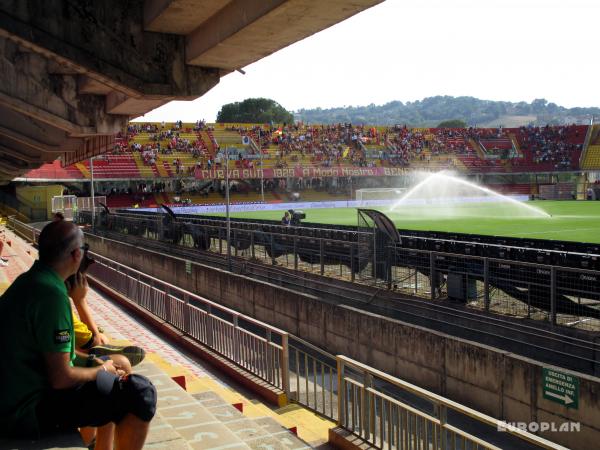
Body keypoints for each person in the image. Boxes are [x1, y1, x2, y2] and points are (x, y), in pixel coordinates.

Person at [0, 220, 156, 448]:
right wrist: (101, 369)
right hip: (25, 412)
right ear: (75, 255)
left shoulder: (31, 281)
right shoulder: (51, 295)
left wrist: (95, 362)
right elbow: (61, 377)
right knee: (140, 394)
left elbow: (52, 354)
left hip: (16, 398)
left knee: (115, 374)